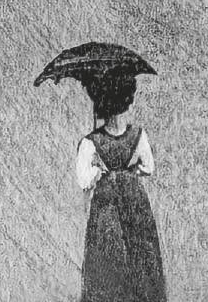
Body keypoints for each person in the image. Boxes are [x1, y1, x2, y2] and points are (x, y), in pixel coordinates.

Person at [74, 74, 167, 302]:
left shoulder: (90, 142)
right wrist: (130, 172)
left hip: (107, 204)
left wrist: (98, 169)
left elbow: (84, 180)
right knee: (140, 250)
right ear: (127, 102)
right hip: (135, 199)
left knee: (108, 254)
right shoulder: (138, 134)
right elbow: (148, 168)